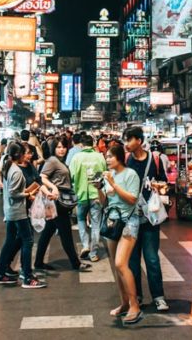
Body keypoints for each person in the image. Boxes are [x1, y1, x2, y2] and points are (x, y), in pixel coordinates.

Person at [123, 126, 169, 312]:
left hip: (150, 218)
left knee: (151, 259)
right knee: (132, 261)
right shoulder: (126, 161)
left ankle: (158, 297)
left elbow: (164, 182)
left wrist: (160, 188)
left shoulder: (155, 160)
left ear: (139, 141)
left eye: (129, 140)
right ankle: (138, 296)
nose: (126, 144)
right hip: (131, 218)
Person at [100, 143, 143, 325]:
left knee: (121, 263)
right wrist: (98, 187)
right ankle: (124, 303)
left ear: (119, 157)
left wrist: (113, 184)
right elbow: (103, 202)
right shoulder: (110, 176)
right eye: (106, 156)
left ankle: (135, 306)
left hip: (128, 222)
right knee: (115, 267)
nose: (107, 159)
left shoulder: (130, 174)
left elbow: (132, 199)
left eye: (110, 156)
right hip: (112, 222)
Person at [0, 142, 46, 289]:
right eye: (25, 152)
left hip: (11, 210)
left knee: (10, 241)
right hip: (18, 211)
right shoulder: (16, 171)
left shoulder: (8, 165)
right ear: (19, 154)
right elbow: (13, 192)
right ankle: (28, 277)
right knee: (28, 241)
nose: (27, 155)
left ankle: (1, 272)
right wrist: (28, 193)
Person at [36, 138, 92, 272]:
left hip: (58, 201)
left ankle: (38, 262)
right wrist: (53, 187)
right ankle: (75, 263)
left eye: (63, 147)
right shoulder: (52, 161)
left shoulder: (59, 161)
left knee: (48, 232)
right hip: (57, 201)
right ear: (53, 148)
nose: (61, 149)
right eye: (58, 147)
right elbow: (42, 177)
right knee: (65, 232)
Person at [70, 134, 107, 263]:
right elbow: (104, 174)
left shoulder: (76, 158)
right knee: (96, 225)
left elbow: (72, 177)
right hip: (96, 195)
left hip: (81, 196)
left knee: (81, 220)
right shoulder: (99, 157)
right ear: (93, 144)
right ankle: (93, 253)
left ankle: (85, 245)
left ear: (81, 145)